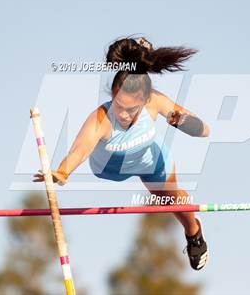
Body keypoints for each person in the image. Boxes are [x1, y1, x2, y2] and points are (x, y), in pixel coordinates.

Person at [34, 36, 210, 270]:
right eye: (118, 105)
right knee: (168, 198)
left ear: (145, 100)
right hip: (110, 170)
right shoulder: (101, 118)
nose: (123, 115)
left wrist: (186, 124)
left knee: (172, 200)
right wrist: (63, 172)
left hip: (151, 162)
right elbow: (81, 148)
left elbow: (205, 130)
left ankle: (193, 232)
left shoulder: (155, 102)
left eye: (130, 110)